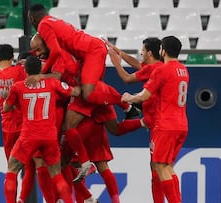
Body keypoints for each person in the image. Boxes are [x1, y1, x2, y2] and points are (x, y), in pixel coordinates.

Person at [27, 33, 142, 183]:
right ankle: (132, 109)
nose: (37, 54)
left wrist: (40, 76)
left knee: (67, 135)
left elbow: (57, 76)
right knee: (114, 130)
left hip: (83, 94)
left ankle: (85, 163)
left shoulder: (60, 53)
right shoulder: (58, 54)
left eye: (37, 49)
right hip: (90, 93)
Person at [3, 55, 81, 203]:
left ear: (25, 70)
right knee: (57, 175)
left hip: (28, 136)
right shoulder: (52, 83)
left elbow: (6, 108)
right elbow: (74, 92)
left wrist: (9, 97)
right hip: (50, 137)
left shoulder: (18, 87)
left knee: (12, 171)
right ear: (41, 70)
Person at [121, 36, 189, 203]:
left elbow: (145, 95)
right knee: (168, 167)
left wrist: (130, 97)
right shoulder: (183, 70)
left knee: (159, 166)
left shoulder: (162, 70)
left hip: (165, 124)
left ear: (163, 50)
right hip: (182, 124)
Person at [107, 37, 166, 203]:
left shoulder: (153, 68)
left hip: (156, 123)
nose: (140, 53)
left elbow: (126, 78)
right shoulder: (157, 67)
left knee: (157, 167)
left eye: (142, 50)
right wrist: (119, 51)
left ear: (149, 52)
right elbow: (138, 65)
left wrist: (115, 61)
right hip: (154, 121)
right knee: (158, 166)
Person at [0, 44, 35, 202]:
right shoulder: (20, 71)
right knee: (30, 167)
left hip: (7, 128)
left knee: (12, 170)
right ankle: (22, 199)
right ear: (12, 57)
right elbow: (32, 70)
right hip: (25, 127)